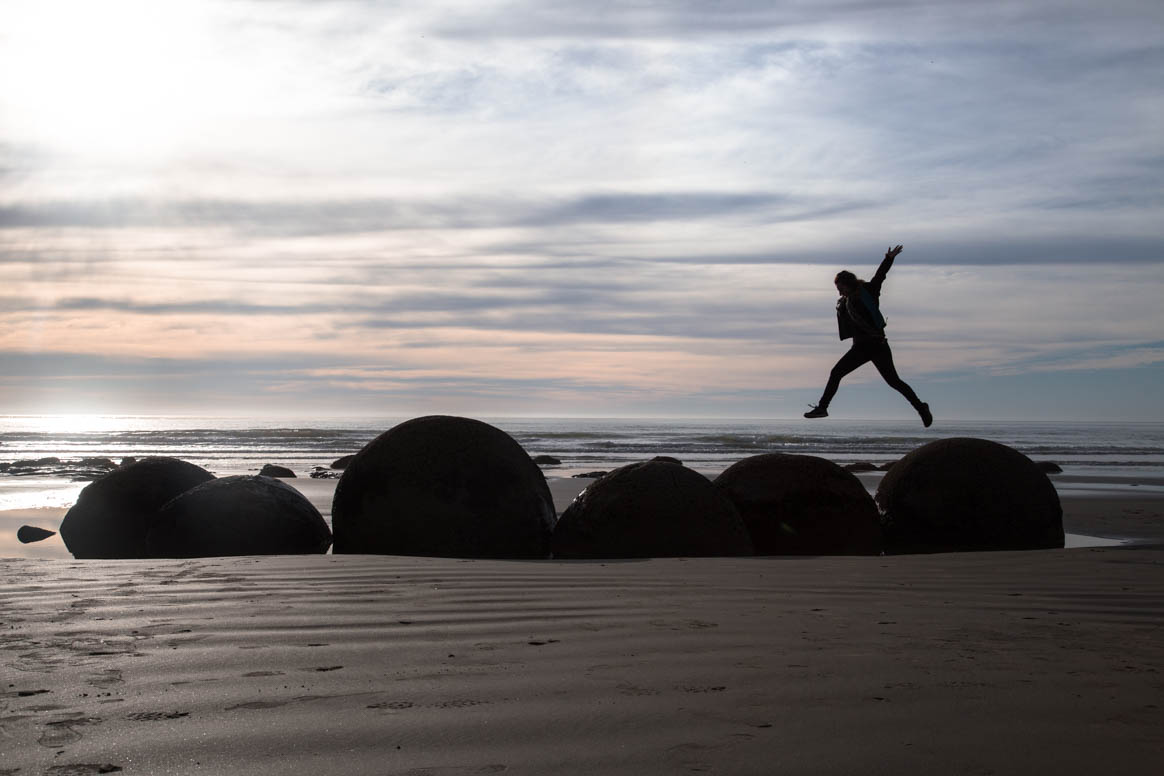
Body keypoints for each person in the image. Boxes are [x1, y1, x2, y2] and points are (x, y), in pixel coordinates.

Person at [804, 244, 932, 427]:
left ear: (849, 284)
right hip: (861, 347)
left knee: (894, 382)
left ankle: (921, 408)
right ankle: (822, 408)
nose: (839, 292)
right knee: (836, 373)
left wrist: (889, 259)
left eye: (841, 288)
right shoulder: (845, 302)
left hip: (876, 345)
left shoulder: (868, 292)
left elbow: (880, 276)